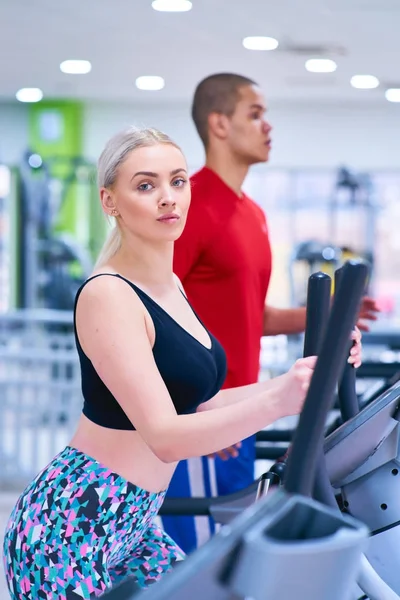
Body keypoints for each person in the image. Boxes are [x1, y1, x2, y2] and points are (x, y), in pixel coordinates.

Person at [2, 126, 349, 599]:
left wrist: (302, 376)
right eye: (146, 185)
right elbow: (166, 437)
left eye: (178, 181)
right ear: (110, 201)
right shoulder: (109, 295)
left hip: (136, 521)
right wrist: (279, 401)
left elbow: (198, 406)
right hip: (73, 525)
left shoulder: (171, 290)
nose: (168, 198)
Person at [162, 73, 378, 553]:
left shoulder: (253, 213)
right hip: (202, 408)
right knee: (191, 559)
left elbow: (247, 315)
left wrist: (328, 319)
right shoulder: (189, 206)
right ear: (219, 124)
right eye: (254, 114)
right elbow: (154, 314)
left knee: (226, 552)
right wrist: (197, 407)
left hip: (242, 409)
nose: (268, 126)